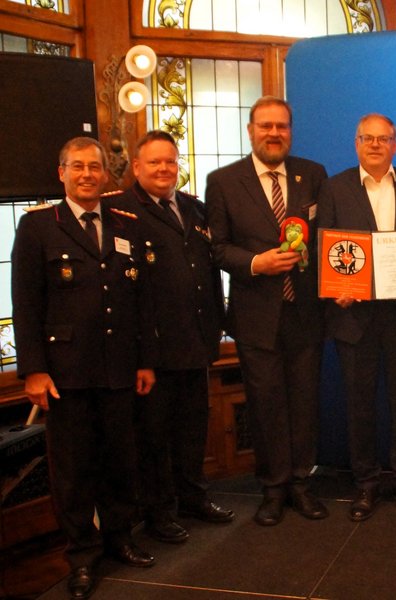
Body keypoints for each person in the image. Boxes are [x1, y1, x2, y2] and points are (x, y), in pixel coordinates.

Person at [11, 137, 157, 599]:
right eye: (78, 167)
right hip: (65, 372)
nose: (88, 175)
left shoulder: (126, 224)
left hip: (118, 367)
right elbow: (25, 304)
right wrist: (34, 370)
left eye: (94, 167)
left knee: (120, 460)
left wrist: (144, 361)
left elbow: (139, 301)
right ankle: (81, 555)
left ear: (105, 174)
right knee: (73, 471)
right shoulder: (37, 227)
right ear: (62, 173)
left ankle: (119, 538)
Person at [205, 96, 328, 526]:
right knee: (265, 404)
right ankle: (273, 488)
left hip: (306, 313)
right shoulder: (223, 181)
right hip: (256, 316)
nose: (274, 133)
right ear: (250, 130)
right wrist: (258, 262)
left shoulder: (313, 174)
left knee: (305, 403)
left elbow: (326, 236)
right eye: (266, 126)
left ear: (290, 131)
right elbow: (217, 248)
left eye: (282, 126)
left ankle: (302, 483)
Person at [317, 113, 396, 521]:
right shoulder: (334, 188)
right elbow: (323, 246)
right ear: (356, 144)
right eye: (367, 138)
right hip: (354, 317)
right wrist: (335, 286)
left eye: (382, 138)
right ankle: (366, 483)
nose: (374, 145)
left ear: (394, 145)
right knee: (359, 405)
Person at [115, 131, 233, 545]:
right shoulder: (120, 211)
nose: (164, 169)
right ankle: (159, 512)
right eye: (154, 162)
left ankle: (193, 497)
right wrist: (140, 354)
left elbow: (207, 272)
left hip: (196, 340)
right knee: (155, 436)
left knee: (192, 429)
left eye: (170, 161)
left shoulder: (194, 208)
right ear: (137, 167)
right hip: (154, 348)